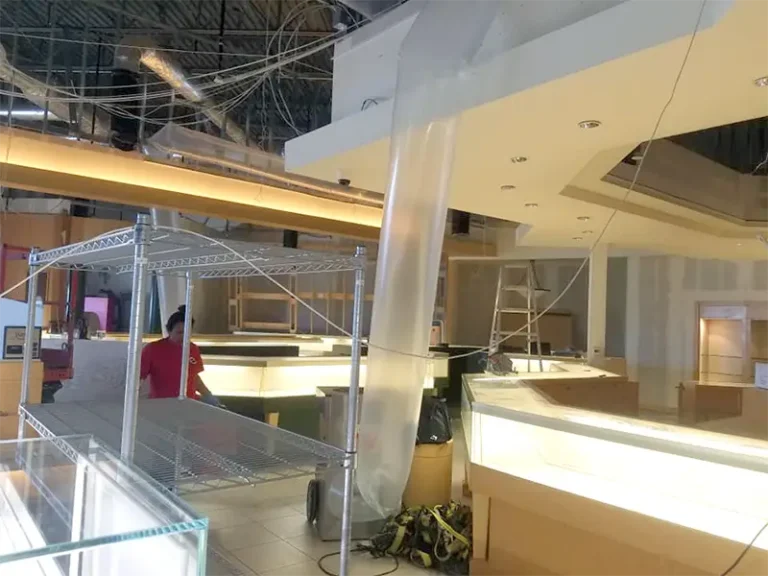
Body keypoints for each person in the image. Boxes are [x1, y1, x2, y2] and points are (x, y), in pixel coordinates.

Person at [140, 305, 220, 406]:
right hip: (162, 405)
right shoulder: (153, 349)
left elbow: (194, 377)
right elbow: (138, 378)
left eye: (187, 333)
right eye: (179, 332)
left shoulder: (193, 349)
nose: (183, 337)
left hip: (189, 404)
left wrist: (208, 395)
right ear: (168, 330)